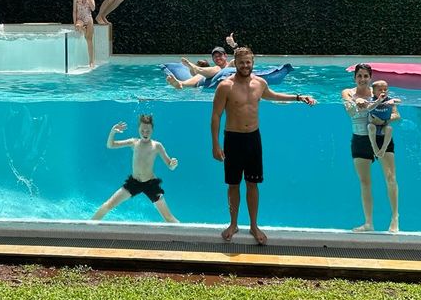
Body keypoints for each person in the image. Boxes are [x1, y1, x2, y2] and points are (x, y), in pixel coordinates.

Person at [211, 46, 316, 244]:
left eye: (248, 62)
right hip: (232, 139)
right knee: (233, 184)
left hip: (253, 139)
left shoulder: (260, 83)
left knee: (253, 183)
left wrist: (298, 97)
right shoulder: (225, 86)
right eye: (241, 62)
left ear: (253, 63)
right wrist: (215, 144)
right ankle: (233, 224)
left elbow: (273, 96)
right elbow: (216, 116)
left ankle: (253, 225)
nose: (245, 66)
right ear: (235, 63)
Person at [342, 63, 399, 232]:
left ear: (370, 78)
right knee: (364, 181)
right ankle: (368, 223)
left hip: (381, 138)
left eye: (366, 76)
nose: (362, 79)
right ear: (355, 78)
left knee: (390, 177)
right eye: (359, 76)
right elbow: (349, 109)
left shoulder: (380, 93)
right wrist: (356, 101)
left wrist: (386, 120)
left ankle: (395, 218)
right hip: (360, 139)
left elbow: (396, 114)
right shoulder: (348, 92)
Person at [92, 115, 179, 223]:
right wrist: (112, 132)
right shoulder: (134, 142)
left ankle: (187, 236)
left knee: (168, 217)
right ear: (138, 129)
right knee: (107, 205)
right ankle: (86, 227)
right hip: (134, 182)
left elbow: (170, 165)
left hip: (151, 184)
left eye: (148, 130)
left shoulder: (157, 146)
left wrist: (173, 164)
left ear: (152, 130)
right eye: (142, 130)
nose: (145, 133)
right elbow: (110, 145)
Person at [167, 33, 239, 89]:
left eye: (220, 55)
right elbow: (193, 75)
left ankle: (197, 69)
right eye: (215, 57)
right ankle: (181, 83)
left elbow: (241, 58)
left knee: (218, 68)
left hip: (223, 75)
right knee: (201, 75)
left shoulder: (231, 64)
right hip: (209, 81)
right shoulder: (211, 70)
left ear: (225, 56)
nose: (217, 58)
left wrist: (234, 46)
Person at [366, 79, 401, 158]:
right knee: (370, 126)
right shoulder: (372, 100)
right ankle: (374, 146)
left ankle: (383, 148)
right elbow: (368, 108)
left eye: (385, 89)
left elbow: (399, 101)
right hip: (373, 126)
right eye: (380, 90)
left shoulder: (389, 100)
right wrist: (378, 101)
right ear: (373, 92)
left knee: (389, 128)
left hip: (384, 127)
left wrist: (393, 101)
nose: (383, 91)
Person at [72, 0, 96, 68]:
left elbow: (93, 9)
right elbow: (74, 11)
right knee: (78, 27)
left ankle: (91, 61)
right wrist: (75, 23)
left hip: (88, 17)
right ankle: (83, 29)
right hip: (80, 18)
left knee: (89, 40)